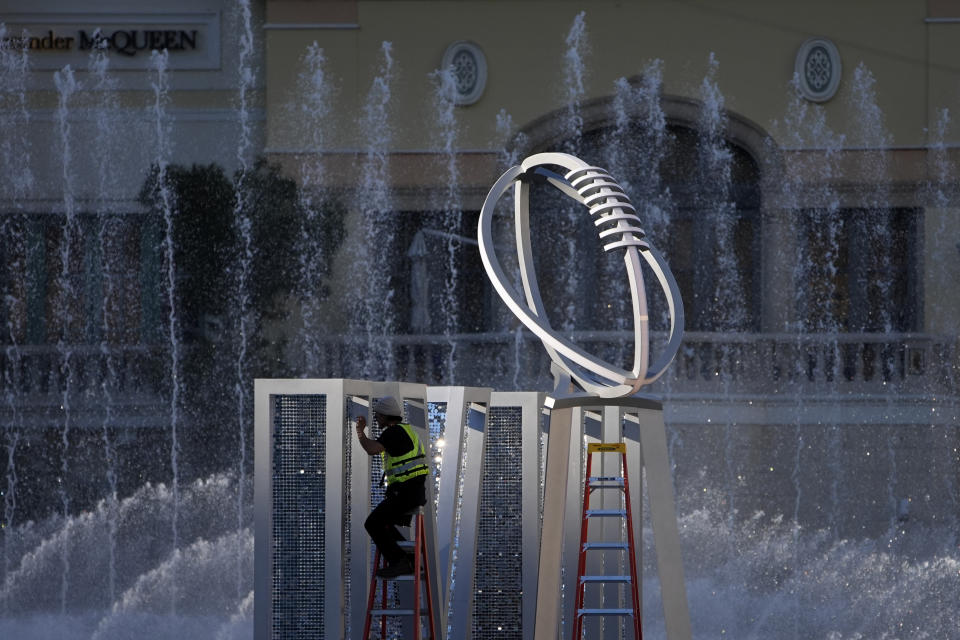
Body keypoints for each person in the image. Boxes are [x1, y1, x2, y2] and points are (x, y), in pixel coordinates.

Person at [355, 396, 429, 578]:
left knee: (372, 523)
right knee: (383, 523)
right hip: (413, 492)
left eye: (378, 416)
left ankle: (400, 562)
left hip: (406, 493)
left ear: (386, 415)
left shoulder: (393, 432)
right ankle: (410, 559)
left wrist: (360, 432)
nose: (377, 419)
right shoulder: (406, 430)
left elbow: (372, 449)